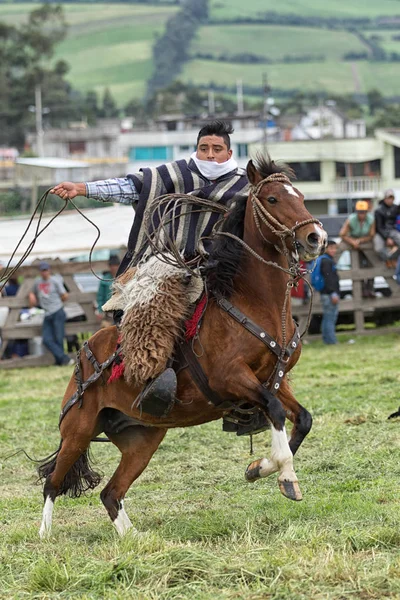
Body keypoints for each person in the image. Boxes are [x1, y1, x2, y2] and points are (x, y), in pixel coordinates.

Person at [49, 121, 249, 407]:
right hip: (170, 259)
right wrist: (82, 188)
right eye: (204, 148)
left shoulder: (245, 184)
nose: (210, 154)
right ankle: (148, 376)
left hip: (222, 264)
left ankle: (257, 386)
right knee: (154, 301)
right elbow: (130, 188)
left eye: (217, 149)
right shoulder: (173, 174)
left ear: (228, 153)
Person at [28, 261, 73, 366]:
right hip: (47, 313)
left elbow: (65, 295)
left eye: (46, 270)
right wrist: (31, 296)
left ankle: (60, 362)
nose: (44, 272)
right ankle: (64, 359)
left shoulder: (55, 281)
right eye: (42, 270)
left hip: (57, 311)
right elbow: (32, 292)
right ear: (40, 272)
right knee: (46, 339)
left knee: (59, 338)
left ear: (49, 270)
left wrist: (56, 302)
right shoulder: (37, 282)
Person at [338, 200, 376, 298]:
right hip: (353, 242)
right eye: (359, 212)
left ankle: (370, 289)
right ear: (356, 211)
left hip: (366, 243)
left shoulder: (371, 220)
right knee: (358, 266)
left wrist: (361, 241)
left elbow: (371, 235)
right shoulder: (351, 219)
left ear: (366, 212)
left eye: (363, 212)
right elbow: (342, 234)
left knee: (371, 266)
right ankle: (361, 290)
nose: (361, 214)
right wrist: (353, 242)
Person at [319, 240, 340, 345]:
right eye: (331, 248)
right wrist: (333, 293)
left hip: (325, 293)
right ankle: (331, 341)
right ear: (325, 249)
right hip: (329, 294)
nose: (333, 250)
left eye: (334, 248)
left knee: (327, 317)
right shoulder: (326, 261)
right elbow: (329, 279)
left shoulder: (325, 260)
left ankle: (326, 339)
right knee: (330, 318)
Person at [374, 189, 400, 263]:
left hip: (393, 230)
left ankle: (394, 257)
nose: (390, 200)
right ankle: (388, 259)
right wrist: (387, 238)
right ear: (385, 198)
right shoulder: (379, 210)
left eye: (392, 198)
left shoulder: (396, 208)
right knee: (378, 248)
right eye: (388, 198)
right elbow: (379, 227)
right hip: (381, 232)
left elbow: (396, 222)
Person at [96, 254, 120, 327]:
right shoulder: (104, 279)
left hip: (120, 309)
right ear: (109, 267)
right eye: (112, 266)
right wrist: (100, 310)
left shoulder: (123, 277)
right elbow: (100, 296)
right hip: (109, 310)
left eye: (116, 265)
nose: (114, 268)